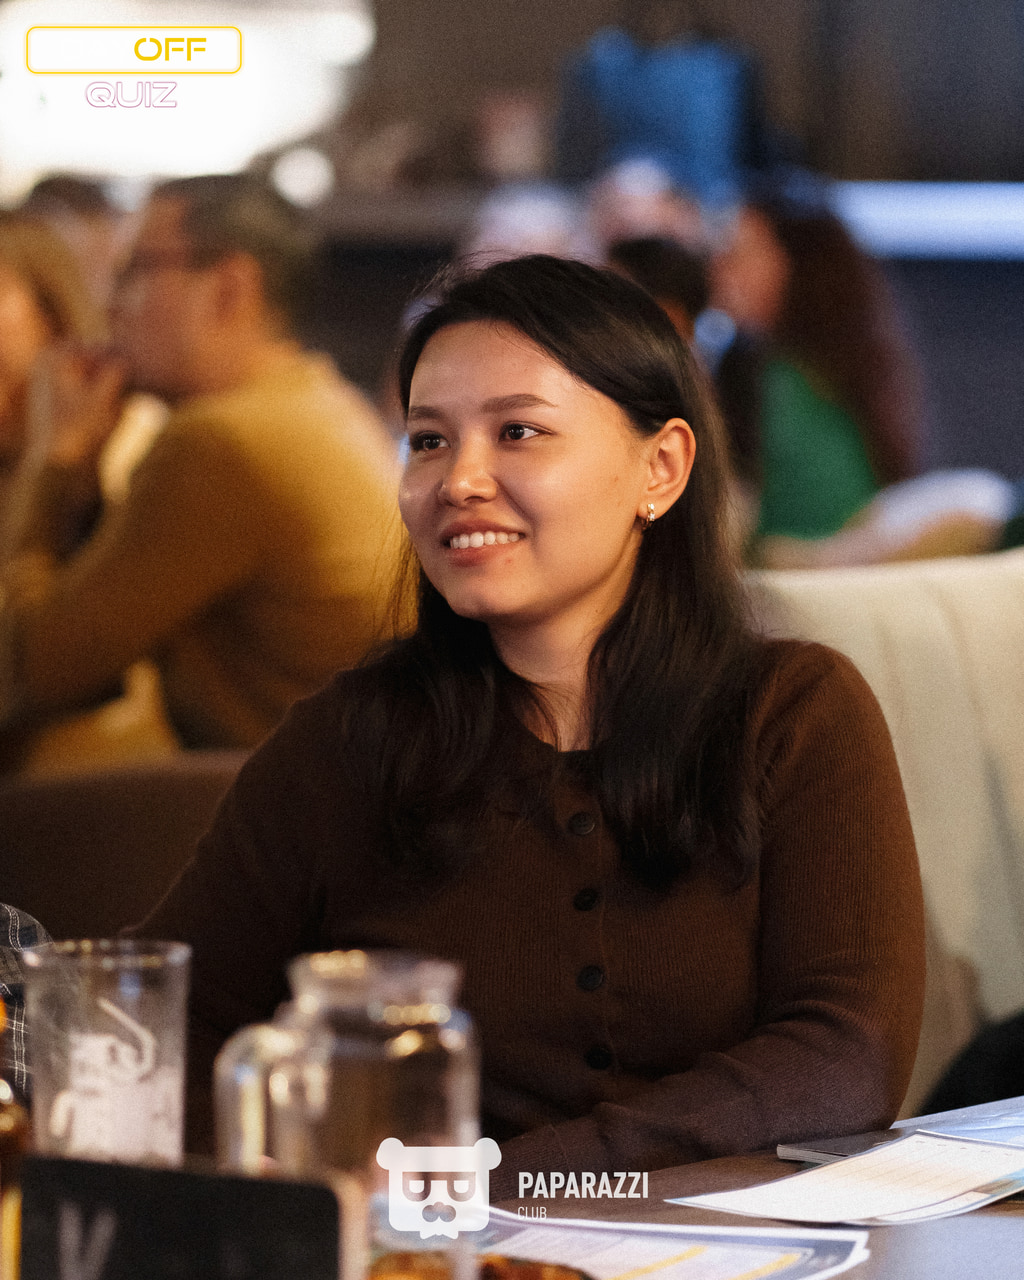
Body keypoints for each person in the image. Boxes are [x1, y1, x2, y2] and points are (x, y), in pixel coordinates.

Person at [137, 255, 926, 1198]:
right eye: (427, 441)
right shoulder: (344, 745)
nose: (460, 480)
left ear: (662, 468)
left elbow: (846, 1053)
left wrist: (501, 1181)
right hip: (430, 1254)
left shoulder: (792, 713)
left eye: (518, 431)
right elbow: (162, 1028)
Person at [0, 174, 403, 757]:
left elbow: (29, 673)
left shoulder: (223, 440)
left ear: (229, 289)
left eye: (136, 270)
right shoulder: (318, 399)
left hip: (321, 803)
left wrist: (52, 460)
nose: (109, 304)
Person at [711, 191, 922, 556]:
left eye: (739, 253)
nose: (718, 268)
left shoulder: (771, 374)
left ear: (799, 266)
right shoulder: (849, 364)